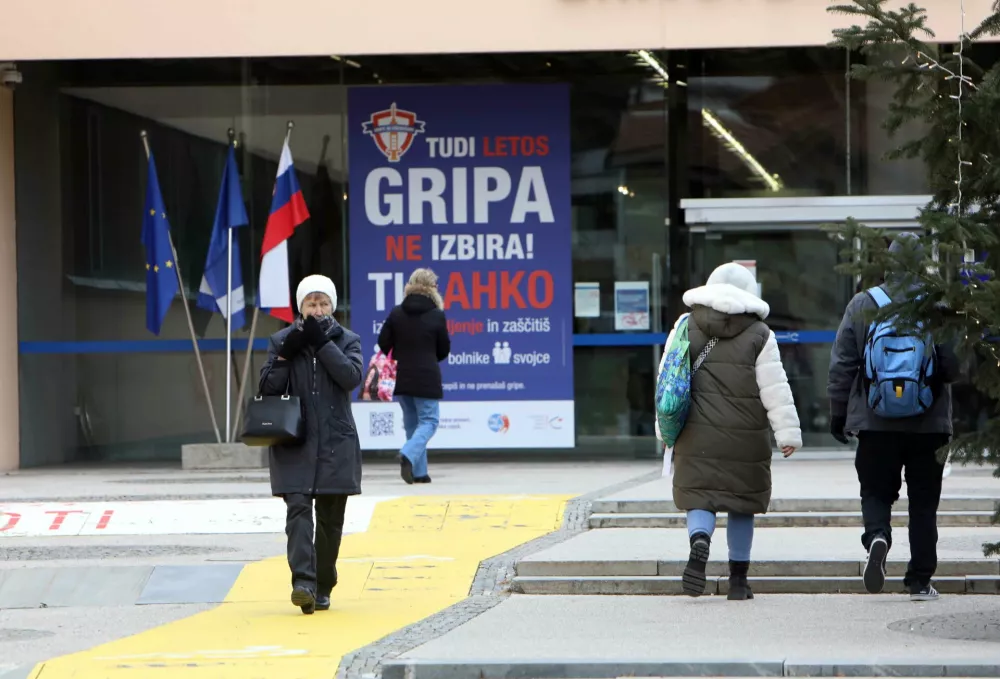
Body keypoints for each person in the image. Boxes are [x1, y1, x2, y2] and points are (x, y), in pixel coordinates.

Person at [658, 262, 801, 600]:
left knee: (699, 495)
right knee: (741, 505)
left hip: (696, 433)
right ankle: (739, 583)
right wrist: (787, 433)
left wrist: (663, 429)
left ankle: (699, 541)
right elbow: (775, 388)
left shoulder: (684, 324)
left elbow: (668, 381)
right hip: (745, 435)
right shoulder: (761, 334)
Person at [828, 233, 959, 602]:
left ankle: (878, 536)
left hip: (874, 422)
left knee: (875, 489)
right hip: (929, 425)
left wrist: (839, 413)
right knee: (923, 503)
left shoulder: (863, 304)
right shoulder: (939, 304)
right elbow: (952, 365)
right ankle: (919, 580)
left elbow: (842, 364)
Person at [259, 274, 364, 615]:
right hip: (295, 442)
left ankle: (323, 583)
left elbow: (350, 378)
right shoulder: (280, 340)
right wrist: (286, 356)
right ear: (300, 307)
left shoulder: (348, 339)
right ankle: (302, 583)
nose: (317, 310)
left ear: (332, 306)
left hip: (336, 442)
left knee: (331, 520)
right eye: (310, 303)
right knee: (299, 511)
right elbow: (267, 389)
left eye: (323, 303)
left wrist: (322, 343)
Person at [378, 268, 450, 484]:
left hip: (403, 375)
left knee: (412, 424)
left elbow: (383, 342)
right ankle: (408, 454)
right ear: (432, 288)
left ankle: (419, 473)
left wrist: (399, 352)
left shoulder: (397, 312)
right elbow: (444, 350)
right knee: (429, 421)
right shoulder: (437, 315)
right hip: (427, 375)